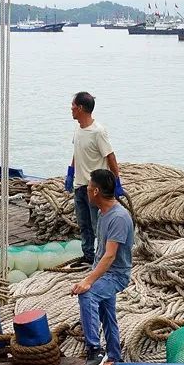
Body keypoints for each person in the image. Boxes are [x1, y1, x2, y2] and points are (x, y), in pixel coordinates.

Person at [71, 169, 134, 365]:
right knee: (107, 314)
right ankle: (115, 355)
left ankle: (95, 349)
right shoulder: (102, 213)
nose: (87, 191)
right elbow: (101, 253)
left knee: (87, 296)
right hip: (104, 273)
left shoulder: (119, 218)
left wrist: (88, 281)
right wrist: (92, 275)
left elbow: (110, 256)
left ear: (96, 191)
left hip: (116, 275)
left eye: (89, 188)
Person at [65, 91, 123, 266]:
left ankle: (102, 259)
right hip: (80, 186)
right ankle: (88, 256)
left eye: (73, 105)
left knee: (98, 225)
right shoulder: (78, 129)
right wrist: (70, 173)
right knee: (84, 225)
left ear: (80, 108)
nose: (71, 108)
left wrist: (117, 182)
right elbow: (77, 152)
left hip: (95, 188)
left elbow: (110, 157)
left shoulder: (98, 132)